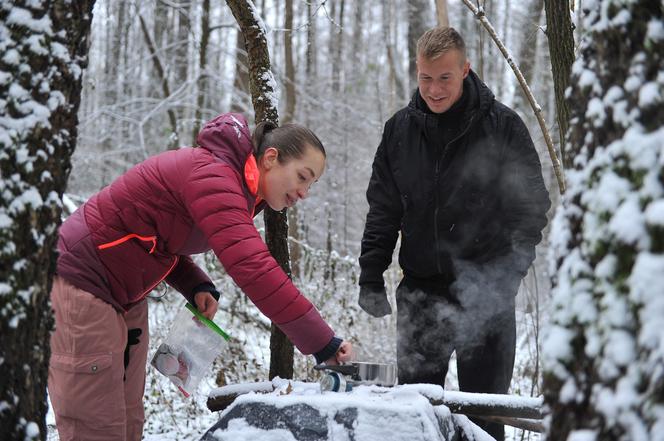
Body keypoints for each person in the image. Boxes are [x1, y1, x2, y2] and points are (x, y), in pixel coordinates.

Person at [49, 112, 353, 441]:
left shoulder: (233, 185)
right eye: (302, 177)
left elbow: (149, 236)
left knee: (126, 421)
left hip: (123, 294)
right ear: (271, 158)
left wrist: (194, 283)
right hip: (82, 287)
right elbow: (254, 268)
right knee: (95, 428)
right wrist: (323, 342)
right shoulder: (214, 175)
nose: (304, 193)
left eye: (311, 185)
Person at [357, 27, 550, 440]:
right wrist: (371, 274)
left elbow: (531, 210)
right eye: (425, 77)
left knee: (484, 418)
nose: (433, 89)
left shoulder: (503, 128)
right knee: (415, 415)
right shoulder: (399, 132)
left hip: (489, 297)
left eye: (444, 77)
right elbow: (384, 210)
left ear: (466, 69)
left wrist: (507, 278)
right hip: (421, 295)